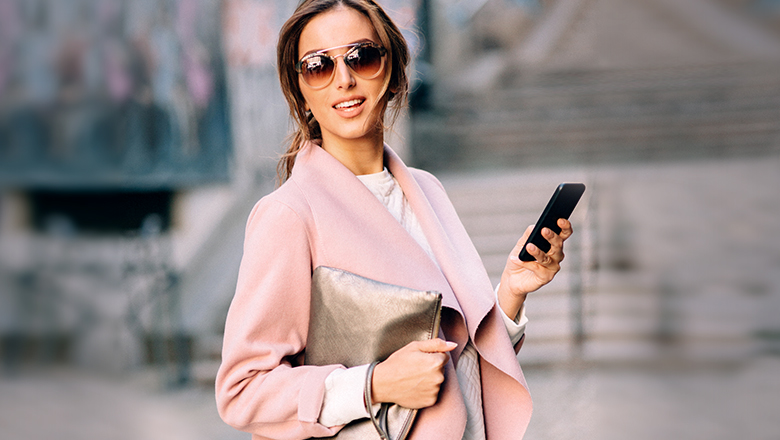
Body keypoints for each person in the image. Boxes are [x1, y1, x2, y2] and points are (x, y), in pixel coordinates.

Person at [215, 1, 573, 439]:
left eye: (360, 57)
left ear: (390, 66)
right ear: (301, 89)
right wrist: (373, 384)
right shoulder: (289, 214)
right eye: (317, 66)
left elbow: (455, 357)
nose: (343, 79)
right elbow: (241, 390)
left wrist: (512, 291)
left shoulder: (426, 190)